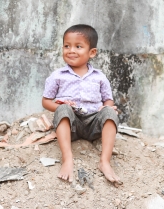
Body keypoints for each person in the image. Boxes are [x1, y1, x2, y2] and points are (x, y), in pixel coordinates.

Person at [42, 24, 122, 185]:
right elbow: (45, 102)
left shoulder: (100, 77)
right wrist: (61, 106)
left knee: (110, 112)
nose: (71, 50)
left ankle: (104, 161)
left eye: (78, 46)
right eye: (67, 46)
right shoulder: (57, 76)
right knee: (63, 109)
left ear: (92, 52)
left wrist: (107, 106)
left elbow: (108, 99)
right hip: (72, 125)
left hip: (94, 125)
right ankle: (67, 158)